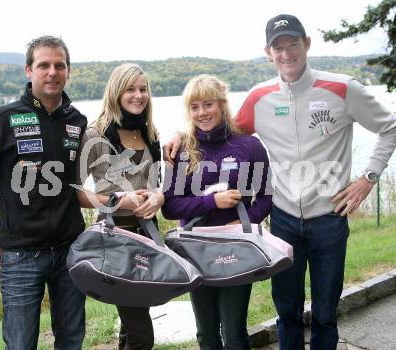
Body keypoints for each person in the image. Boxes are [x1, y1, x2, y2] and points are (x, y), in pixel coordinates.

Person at [164, 15, 396, 350]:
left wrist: (368, 178)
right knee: (286, 312)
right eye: (278, 47)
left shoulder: (343, 88)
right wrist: (181, 136)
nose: (286, 53)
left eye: (293, 44)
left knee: (326, 313)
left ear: (307, 44)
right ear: (268, 53)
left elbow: (389, 127)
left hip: (330, 218)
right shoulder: (260, 97)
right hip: (284, 221)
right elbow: (223, 132)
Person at [0, 36, 87, 349]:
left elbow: (78, 183)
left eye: (59, 65)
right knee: (20, 343)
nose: (52, 72)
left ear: (68, 72)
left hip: (71, 250)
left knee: (72, 339)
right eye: (43, 65)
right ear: (29, 71)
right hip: (20, 255)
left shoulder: (77, 121)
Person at [161, 75, 272, 350]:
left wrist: (243, 221)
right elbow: (170, 206)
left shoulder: (249, 146)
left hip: (236, 249)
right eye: (194, 107)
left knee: (234, 333)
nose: (201, 113)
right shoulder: (182, 150)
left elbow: (267, 196)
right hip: (196, 251)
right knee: (206, 334)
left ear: (222, 105)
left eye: (207, 104)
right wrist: (211, 202)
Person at [76, 63, 164, 350]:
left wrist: (157, 197)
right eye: (130, 88)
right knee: (142, 337)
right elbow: (72, 192)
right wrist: (116, 201)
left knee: (132, 325)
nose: (138, 95)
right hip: (116, 241)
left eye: (143, 89)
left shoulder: (150, 133)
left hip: (149, 238)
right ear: (116, 91)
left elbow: (156, 185)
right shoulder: (95, 135)